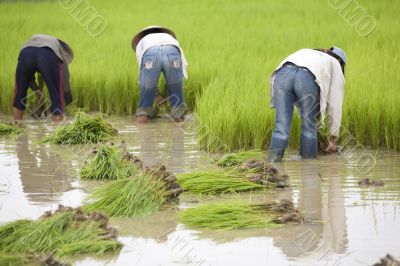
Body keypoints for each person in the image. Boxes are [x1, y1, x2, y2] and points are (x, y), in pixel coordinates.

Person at [268, 47, 346, 161]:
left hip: (282, 74)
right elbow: (335, 105)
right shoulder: (335, 63)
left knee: (281, 128)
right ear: (340, 61)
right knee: (309, 127)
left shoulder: (307, 53)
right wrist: (333, 139)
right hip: (305, 77)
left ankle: (270, 166)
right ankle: (308, 169)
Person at [131, 26, 188, 123]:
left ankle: (143, 133)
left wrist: (156, 95)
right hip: (172, 53)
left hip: (150, 53)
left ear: (143, 35)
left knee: (144, 108)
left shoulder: (142, 42)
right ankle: (180, 135)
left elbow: (144, 74)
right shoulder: (170, 39)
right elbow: (182, 64)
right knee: (177, 106)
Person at [13, 34, 73, 121]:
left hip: (25, 53)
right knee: (57, 96)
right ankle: (57, 131)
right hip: (47, 55)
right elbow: (65, 74)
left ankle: (17, 126)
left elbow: (28, 76)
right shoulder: (59, 49)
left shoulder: (37, 40)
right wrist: (67, 95)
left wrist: (37, 91)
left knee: (19, 92)